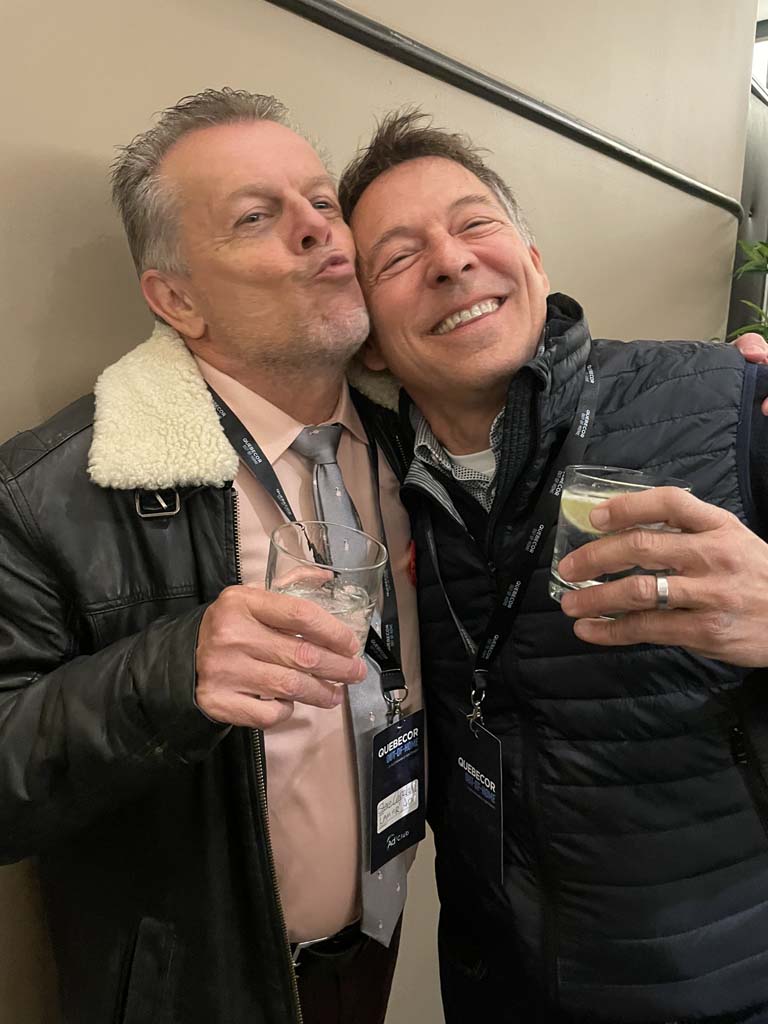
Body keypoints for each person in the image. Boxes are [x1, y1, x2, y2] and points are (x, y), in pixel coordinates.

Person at [0, 89, 421, 1024]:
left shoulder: (419, 448)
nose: (319, 230)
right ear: (176, 299)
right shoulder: (45, 494)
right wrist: (169, 673)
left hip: (381, 951)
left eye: (323, 201)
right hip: (192, 990)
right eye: (257, 217)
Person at [339, 110, 768, 1024]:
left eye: (475, 223)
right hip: (498, 982)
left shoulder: (725, 400)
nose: (451, 261)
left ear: (532, 260)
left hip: (725, 981)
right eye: (398, 257)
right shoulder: (372, 485)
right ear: (368, 337)